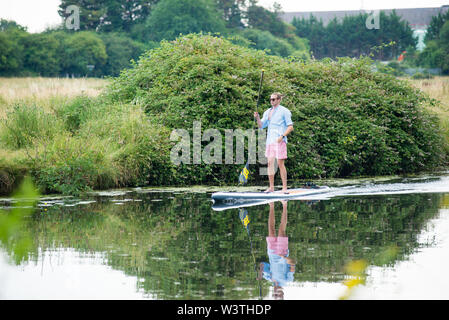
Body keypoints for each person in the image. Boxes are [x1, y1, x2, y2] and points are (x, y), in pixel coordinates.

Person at [254, 93, 294, 193]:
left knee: (280, 164)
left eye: (274, 99)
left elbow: (290, 127)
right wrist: (257, 118)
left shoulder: (285, 111)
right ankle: (271, 187)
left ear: (279, 100)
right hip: (270, 141)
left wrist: (282, 136)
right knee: (270, 164)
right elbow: (261, 126)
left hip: (280, 140)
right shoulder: (267, 112)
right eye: (271, 99)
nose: (272, 101)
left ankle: (284, 188)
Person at [257, 201, 295, 300]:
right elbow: (292, 264)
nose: (276, 293)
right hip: (282, 253)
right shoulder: (287, 281)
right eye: (279, 295)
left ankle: (272, 205)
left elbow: (262, 264)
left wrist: (260, 273)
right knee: (281, 230)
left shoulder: (270, 278)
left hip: (271, 252)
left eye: (275, 295)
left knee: (271, 229)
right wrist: (284, 257)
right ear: (282, 294)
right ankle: (285, 205)